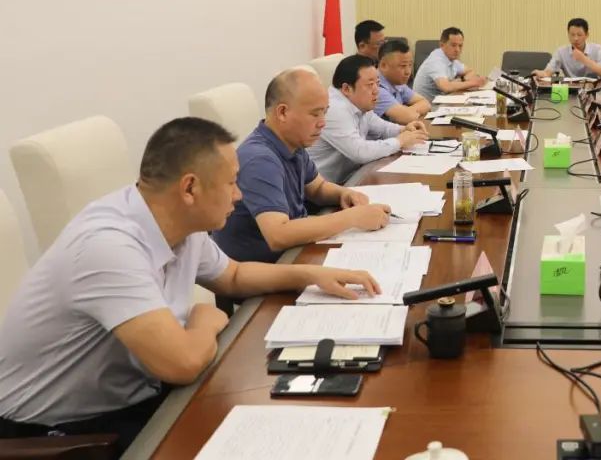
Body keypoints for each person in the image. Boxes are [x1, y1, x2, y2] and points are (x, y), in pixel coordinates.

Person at [0, 118, 380, 452]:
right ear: (189, 189)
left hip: (137, 394)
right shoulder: (108, 246)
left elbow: (232, 276)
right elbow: (181, 363)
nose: (239, 195)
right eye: (231, 183)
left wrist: (310, 275)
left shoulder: (180, 222)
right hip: (65, 435)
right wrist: (205, 319)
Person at [212, 68, 391, 263]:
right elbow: (278, 234)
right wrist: (352, 218)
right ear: (282, 112)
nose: (322, 123)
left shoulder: (293, 143)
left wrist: (344, 194)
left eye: (325, 112)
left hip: (295, 253)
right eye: (315, 114)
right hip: (266, 269)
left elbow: (317, 188)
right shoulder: (259, 160)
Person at [309, 55, 429, 185]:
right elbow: (359, 152)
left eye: (377, 83)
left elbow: (382, 128)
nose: (376, 91)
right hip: (325, 189)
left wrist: (404, 129)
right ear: (346, 88)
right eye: (370, 85)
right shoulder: (333, 109)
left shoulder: (358, 102)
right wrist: (399, 141)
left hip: (351, 177)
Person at [412, 26, 485, 101]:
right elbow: (446, 87)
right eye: (453, 45)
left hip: (441, 101)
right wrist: (474, 83)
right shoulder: (436, 60)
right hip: (427, 106)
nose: (457, 50)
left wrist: (462, 79)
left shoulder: (451, 59)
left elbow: (470, 71)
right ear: (442, 45)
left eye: (460, 46)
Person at [374, 39, 431, 124]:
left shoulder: (397, 82)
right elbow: (407, 117)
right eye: (403, 66)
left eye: (410, 65)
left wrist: (407, 111)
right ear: (383, 65)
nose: (408, 72)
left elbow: (426, 103)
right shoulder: (375, 88)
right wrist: (407, 113)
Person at [535, 18, 601, 79]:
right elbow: (548, 72)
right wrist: (541, 74)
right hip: (570, 89)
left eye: (579, 35)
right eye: (572, 35)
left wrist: (584, 59)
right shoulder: (561, 52)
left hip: (592, 89)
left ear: (587, 35)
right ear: (568, 34)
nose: (575, 38)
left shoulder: (597, 49)